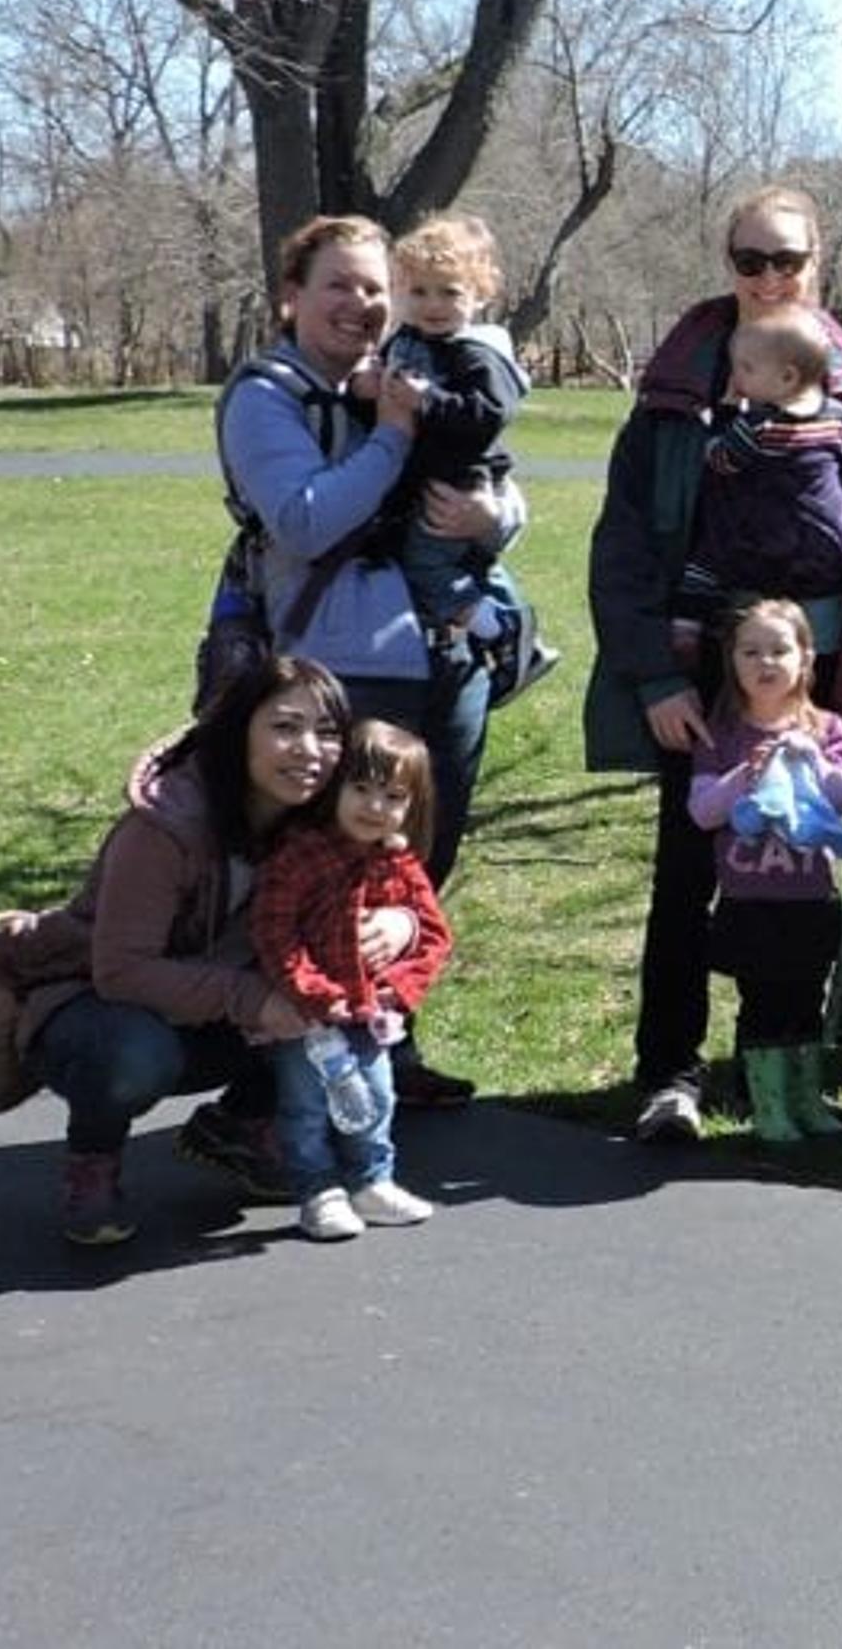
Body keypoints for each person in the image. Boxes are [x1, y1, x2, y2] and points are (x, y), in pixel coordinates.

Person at [588, 185, 842, 1145]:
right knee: (689, 869)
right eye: (751, 260)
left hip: (836, 669)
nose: (769, 277)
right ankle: (671, 1071)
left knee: (802, 873)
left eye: (787, 259)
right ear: (727, 263)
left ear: (818, 259)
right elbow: (623, 546)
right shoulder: (679, 397)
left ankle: (777, 1057)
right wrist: (657, 679)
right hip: (705, 671)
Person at [215, 213, 517, 1105]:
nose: (361, 303)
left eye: (374, 286)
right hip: (345, 660)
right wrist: (391, 433)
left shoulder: (419, 364)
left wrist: (495, 518)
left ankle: (389, 1041)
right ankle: (287, 1084)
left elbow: (493, 469)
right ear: (292, 295)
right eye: (338, 285)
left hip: (447, 654)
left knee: (417, 859)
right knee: (330, 866)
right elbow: (306, 519)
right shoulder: (267, 396)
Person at [0, 659, 433, 1246]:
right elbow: (121, 970)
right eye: (284, 728)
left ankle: (241, 1124)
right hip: (99, 1004)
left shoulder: (328, 820)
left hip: (232, 1011)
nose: (309, 750)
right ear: (238, 730)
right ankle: (93, 1162)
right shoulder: (164, 827)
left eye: (326, 732)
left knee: (343, 1003)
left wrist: (401, 923)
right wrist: (254, 1000)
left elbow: (405, 886)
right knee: (132, 1056)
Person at [251, 718, 451, 1240]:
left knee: (377, 1098)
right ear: (334, 787)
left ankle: (371, 1180)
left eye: (392, 796)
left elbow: (434, 936)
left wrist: (399, 990)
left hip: (371, 1013)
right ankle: (317, 1190)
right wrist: (312, 991)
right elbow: (274, 931)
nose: (374, 807)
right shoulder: (301, 854)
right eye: (360, 789)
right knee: (306, 1106)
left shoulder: (398, 862)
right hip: (307, 1018)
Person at [686, 599, 842, 1143]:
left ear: (806, 657)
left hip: (810, 897)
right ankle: (768, 1104)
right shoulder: (720, 735)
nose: (766, 663)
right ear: (731, 660)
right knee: (762, 1002)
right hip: (750, 901)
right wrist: (747, 772)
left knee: (806, 998)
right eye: (751, 651)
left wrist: (813, 760)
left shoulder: (829, 728)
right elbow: (701, 812)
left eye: (780, 650)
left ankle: (806, 1097)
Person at [381, 213, 535, 681]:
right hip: (420, 479)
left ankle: (500, 629)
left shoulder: (476, 352)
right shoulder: (405, 340)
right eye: (420, 291)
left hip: (456, 484)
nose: (433, 305)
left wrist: (427, 400)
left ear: (480, 294)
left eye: (450, 292)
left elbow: (487, 415)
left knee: (426, 565)